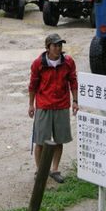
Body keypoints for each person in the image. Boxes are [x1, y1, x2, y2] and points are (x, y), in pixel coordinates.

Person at [28, 33, 78, 183]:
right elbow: (33, 85)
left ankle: (55, 170)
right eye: (55, 46)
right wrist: (31, 105)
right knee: (40, 141)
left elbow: (73, 81)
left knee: (59, 140)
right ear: (47, 47)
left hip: (62, 105)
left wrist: (75, 101)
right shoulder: (38, 63)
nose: (58, 48)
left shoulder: (68, 62)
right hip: (44, 105)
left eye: (60, 45)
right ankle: (39, 170)